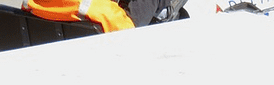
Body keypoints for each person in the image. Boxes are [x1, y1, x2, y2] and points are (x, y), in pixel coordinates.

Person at [21, 0, 185, 32]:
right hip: (110, 35)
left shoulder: (36, 3)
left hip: (48, 25)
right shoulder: (103, 12)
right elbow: (130, 30)